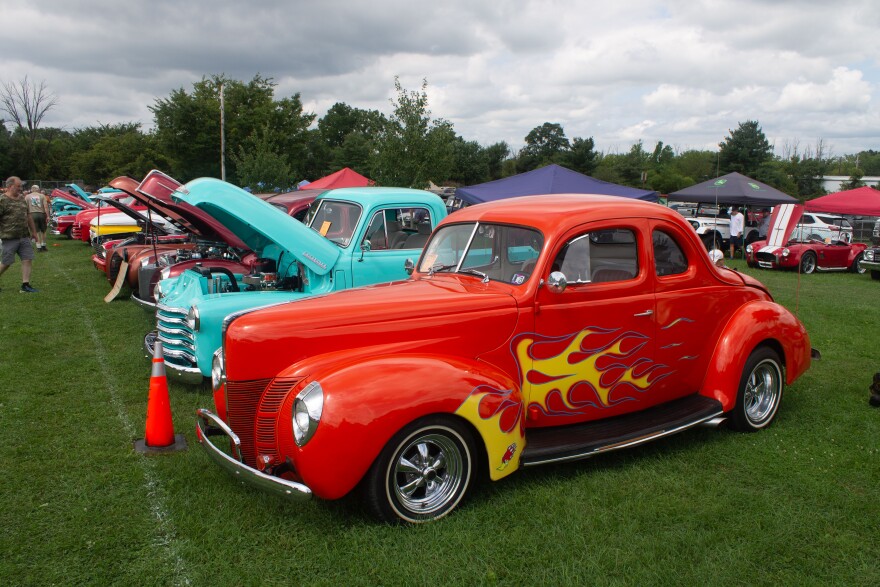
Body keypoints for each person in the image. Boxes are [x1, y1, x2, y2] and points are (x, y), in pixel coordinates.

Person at [0, 176, 39, 293]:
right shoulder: (2, 200)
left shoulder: (22, 198)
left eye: (21, 186)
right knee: (6, 262)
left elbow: (28, 215)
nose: (20, 188)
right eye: (18, 186)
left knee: (27, 259)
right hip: (9, 237)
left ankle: (25, 284)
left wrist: (34, 232)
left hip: (23, 236)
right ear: (10, 186)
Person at [27, 184, 50, 251]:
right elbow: (45, 207)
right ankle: (43, 245)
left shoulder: (27, 196)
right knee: (43, 231)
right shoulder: (42, 196)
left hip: (32, 214)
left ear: (31, 189)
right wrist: (48, 216)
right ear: (38, 189)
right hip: (41, 214)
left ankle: (38, 246)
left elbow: (25, 207)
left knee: (35, 231)